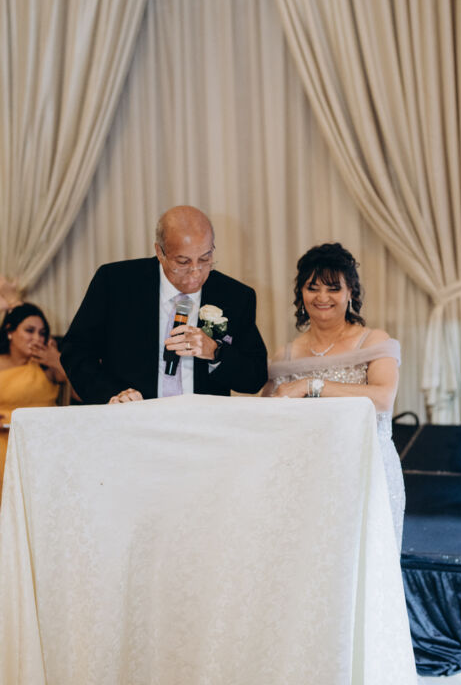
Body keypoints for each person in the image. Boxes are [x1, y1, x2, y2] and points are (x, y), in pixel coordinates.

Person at [262, 243, 405, 549]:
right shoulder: (286, 354)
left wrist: (311, 385)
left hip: (366, 473)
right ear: (301, 293)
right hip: (305, 479)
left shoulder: (373, 341)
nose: (322, 297)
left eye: (333, 288)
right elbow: (267, 418)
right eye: (312, 288)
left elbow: (383, 398)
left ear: (350, 292)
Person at [61, 205, 268, 404]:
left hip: (204, 421)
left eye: (205, 259)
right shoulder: (115, 283)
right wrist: (112, 395)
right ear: (160, 252)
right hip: (131, 417)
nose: (196, 272)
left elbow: (255, 377)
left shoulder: (235, 296)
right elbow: (76, 352)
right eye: (183, 262)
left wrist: (216, 352)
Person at [0, 303, 69, 493]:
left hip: (40, 443)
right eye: (29, 331)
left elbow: (81, 393)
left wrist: (56, 360)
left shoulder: (47, 366)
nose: (37, 338)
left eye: (42, 333)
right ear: (10, 331)